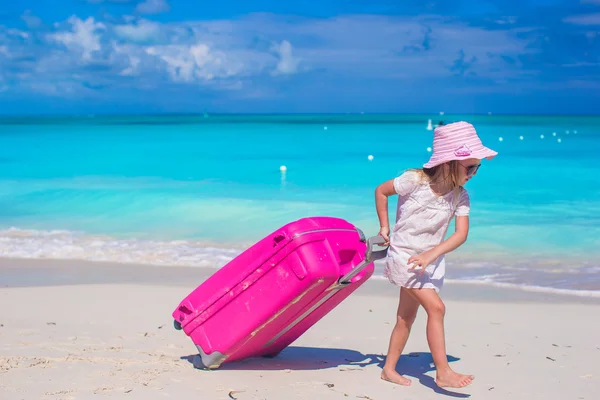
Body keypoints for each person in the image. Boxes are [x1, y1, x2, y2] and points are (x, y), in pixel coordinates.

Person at [374, 121, 497, 388]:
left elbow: (460, 234)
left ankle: (389, 369)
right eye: (471, 167)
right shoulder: (414, 181)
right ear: (448, 162)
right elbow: (381, 191)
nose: (475, 172)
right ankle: (443, 372)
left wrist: (432, 254)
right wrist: (384, 227)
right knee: (437, 308)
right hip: (403, 257)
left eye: (478, 167)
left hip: (427, 262)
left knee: (405, 318)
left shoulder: (460, 197)